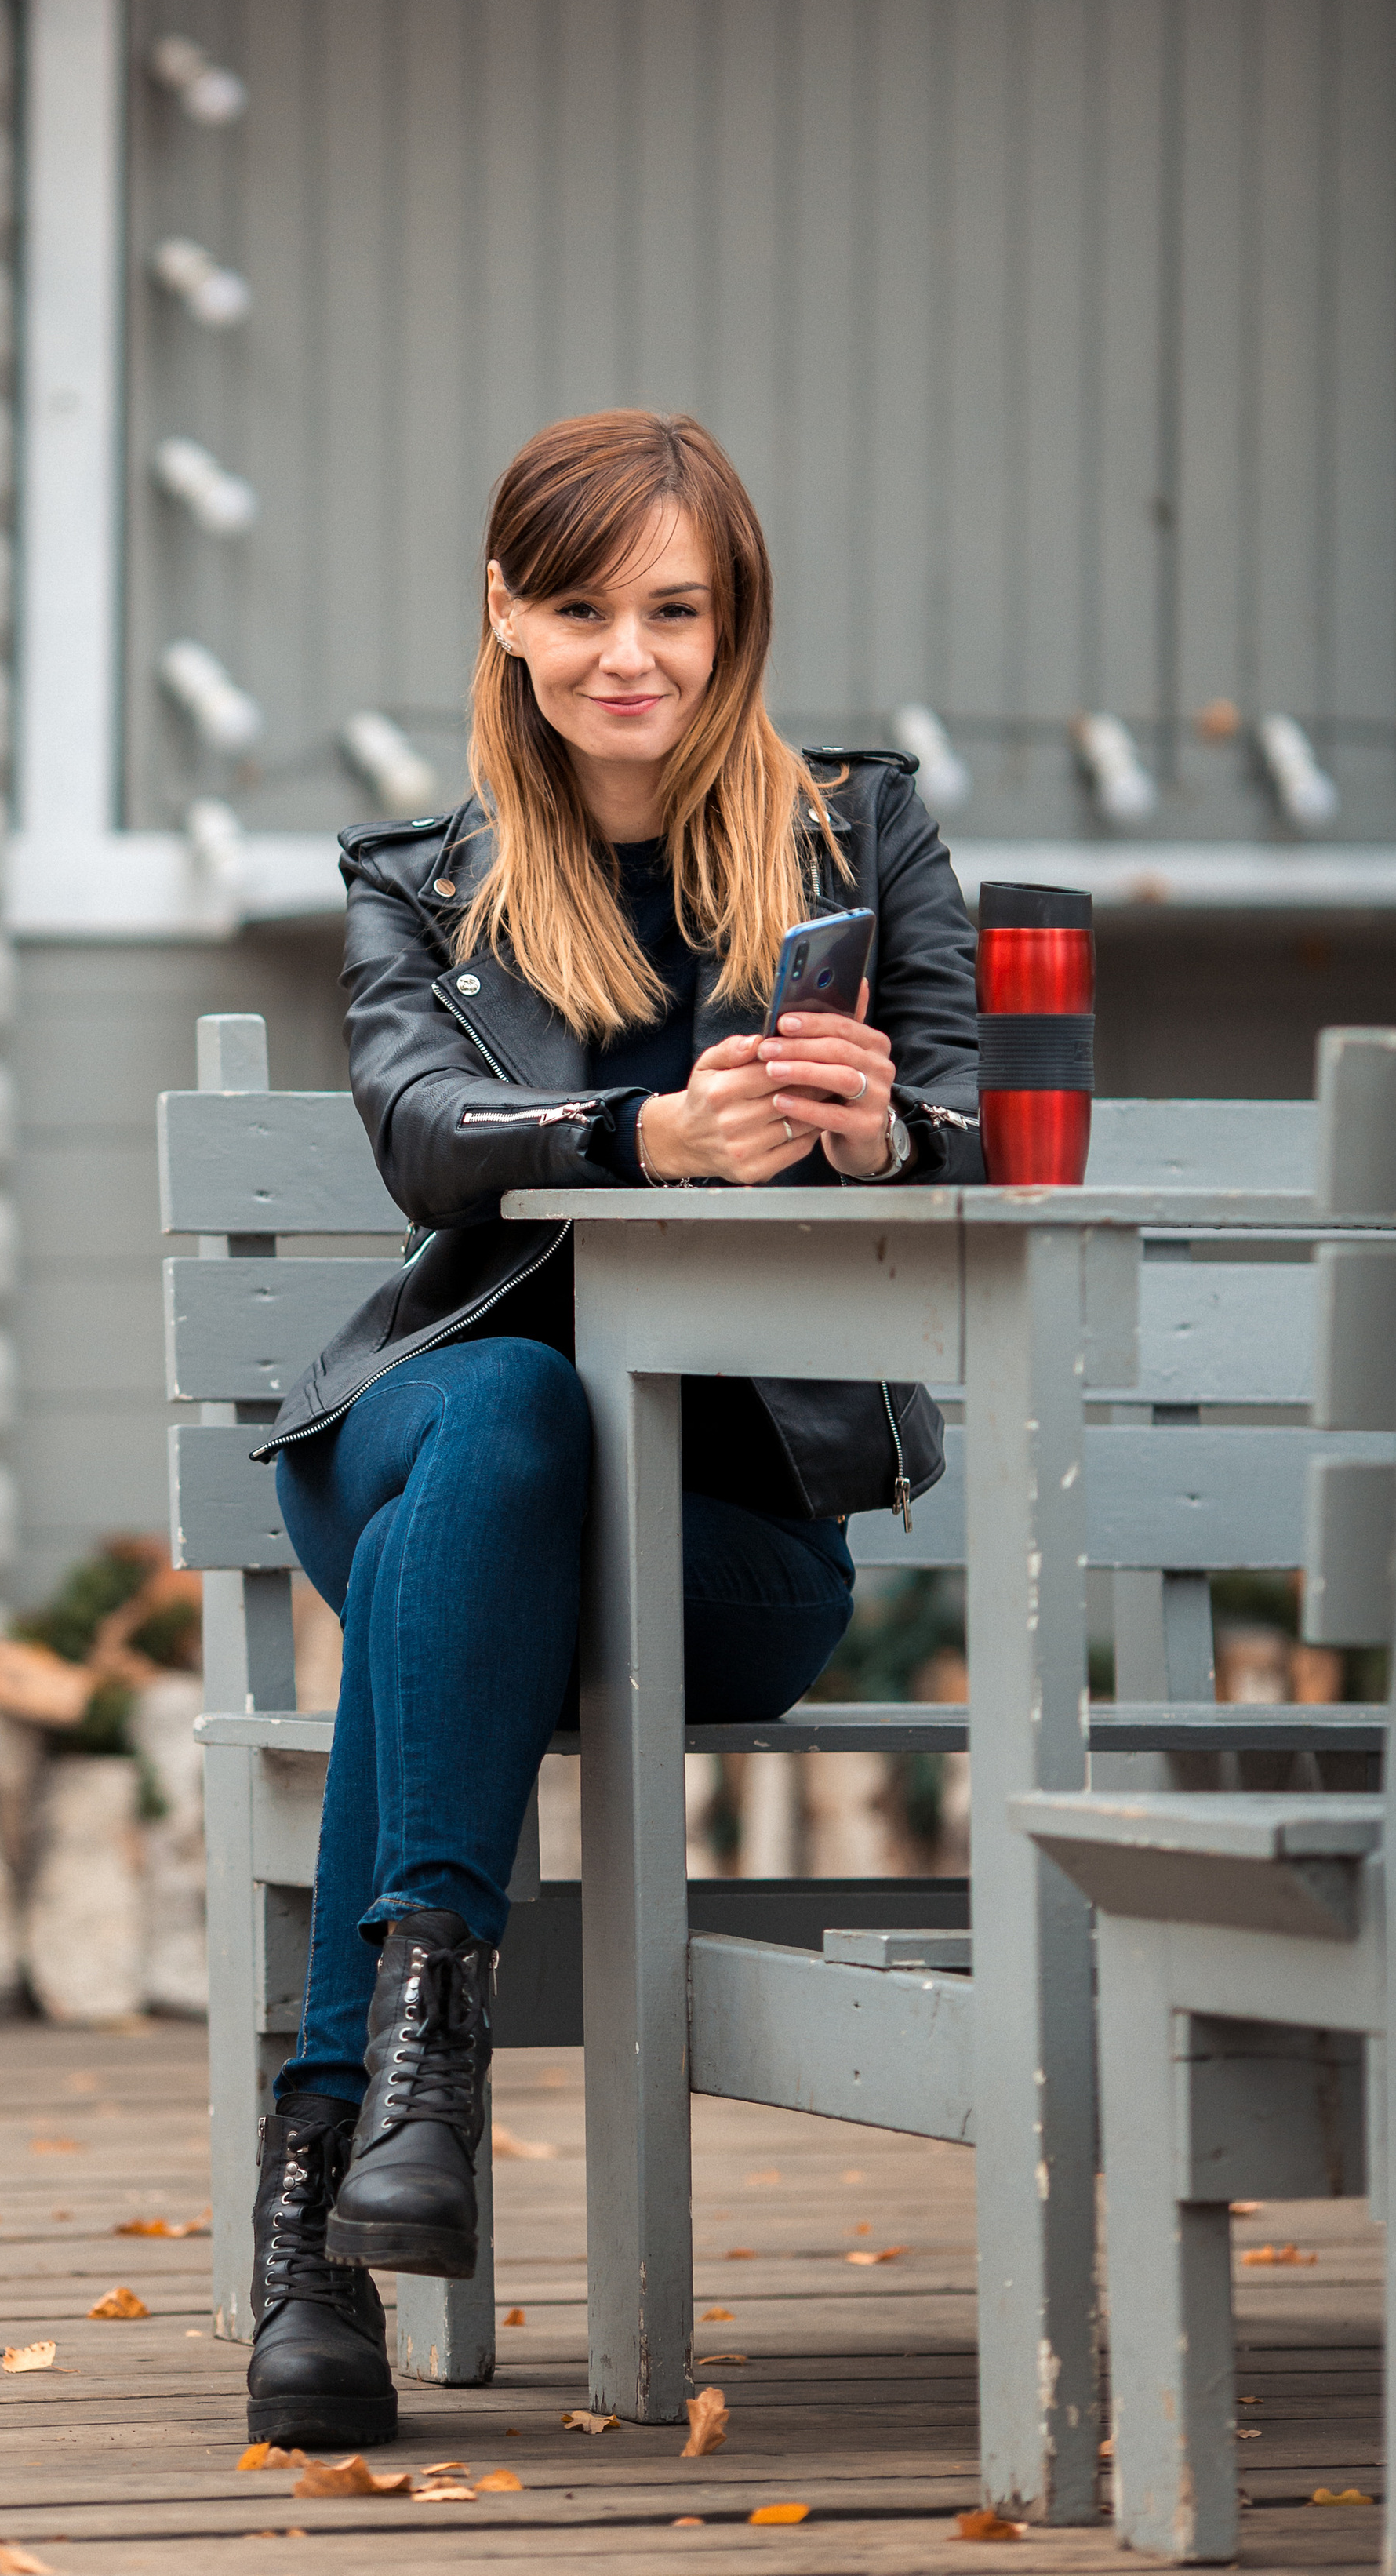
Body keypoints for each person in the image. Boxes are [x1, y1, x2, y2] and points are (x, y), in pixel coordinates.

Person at [241, 409, 982, 2449]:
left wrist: (885, 1138)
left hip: (731, 1552)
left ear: (735, 616)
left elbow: (982, 1121)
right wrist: (636, 1135)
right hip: (424, 1444)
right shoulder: (423, 887)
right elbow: (421, 1138)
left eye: (673, 607)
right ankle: (404, 2103)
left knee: (464, 1536)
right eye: (578, 608)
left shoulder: (864, 842)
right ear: (506, 611)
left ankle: (329, 2200)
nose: (626, 655)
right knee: (498, 1411)